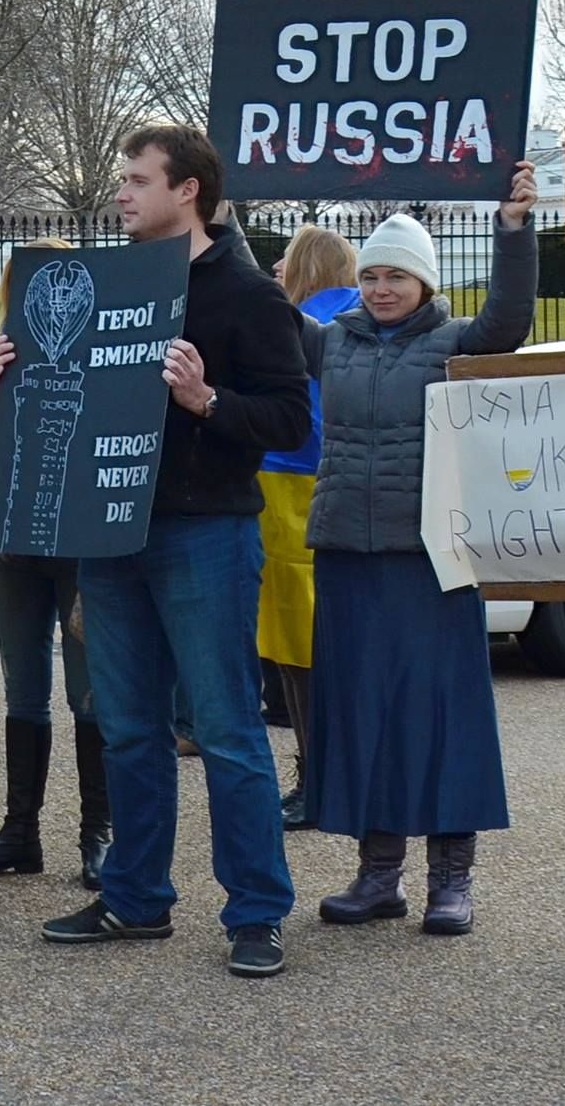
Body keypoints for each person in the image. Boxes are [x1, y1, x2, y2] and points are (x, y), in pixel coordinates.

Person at [14, 126, 308, 979]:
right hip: (108, 531)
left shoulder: (249, 296)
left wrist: (207, 399)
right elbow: (69, 388)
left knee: (225, 729)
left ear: (190, 191)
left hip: (205, 531)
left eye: (138, 180)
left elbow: (291, 419)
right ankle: (136, 898)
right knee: (127, 727)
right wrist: (19, 370)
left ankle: (256, 912)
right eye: (124, 180)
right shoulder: (108, 285)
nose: (122, 194)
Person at [306, 169, 540, 937]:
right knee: (365, 712)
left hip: (432, 556)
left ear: (424, 281)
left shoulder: (453, 341)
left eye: (396, 275)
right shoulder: (329, 342)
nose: (379, 287)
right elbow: (250, 309)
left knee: (442, 715)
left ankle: (451, 879)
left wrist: (512, 229)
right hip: (346, 549)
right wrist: (219, 211)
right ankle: (379, 876)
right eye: (369, 274)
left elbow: (508, 319)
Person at [0, 237, 107, 887]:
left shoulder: (101, 355)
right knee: (23, 690)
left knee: (90, 693)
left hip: (79, 542)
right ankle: (20, 830)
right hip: (19, 542)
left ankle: (97, 831)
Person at [261, 224, 358, 832]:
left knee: (297, 649)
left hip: (288, 484)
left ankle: (315, 774)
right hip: (338, 486)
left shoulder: (302, 324)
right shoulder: (358, 320)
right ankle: (333, 772)